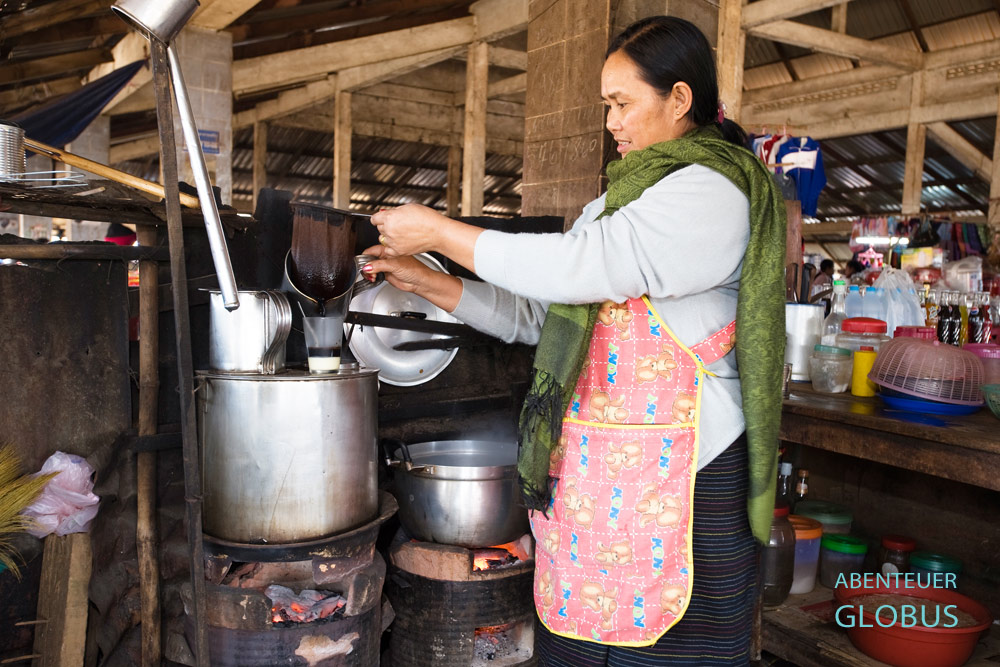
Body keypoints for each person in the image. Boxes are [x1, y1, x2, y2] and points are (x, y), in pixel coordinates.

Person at [364, 16, 786, 665]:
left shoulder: (714, 190)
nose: (611, 122)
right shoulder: (619, 202)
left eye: (622, 103)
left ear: (679, 98)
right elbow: (543, 315)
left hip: (684, 482)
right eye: (606, 106)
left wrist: (443, 233)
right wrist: (429, 282)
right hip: (595, 480)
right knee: (579, 645)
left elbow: (580, 266)